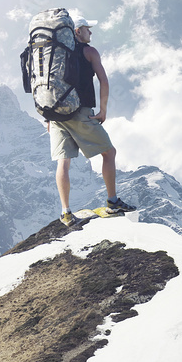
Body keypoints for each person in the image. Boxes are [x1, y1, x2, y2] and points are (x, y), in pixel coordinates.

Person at [46, 14, 135, 226]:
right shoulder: (89, 51)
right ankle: (113, 202)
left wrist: (47, 117)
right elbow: (103, 80)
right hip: (79, 111)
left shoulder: (55, 53)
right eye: (87, 28)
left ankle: (66, 212)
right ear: (77, 31)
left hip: (55, 114)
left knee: (63, 162)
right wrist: (103, 109)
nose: (91, 32)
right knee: (109, 152)